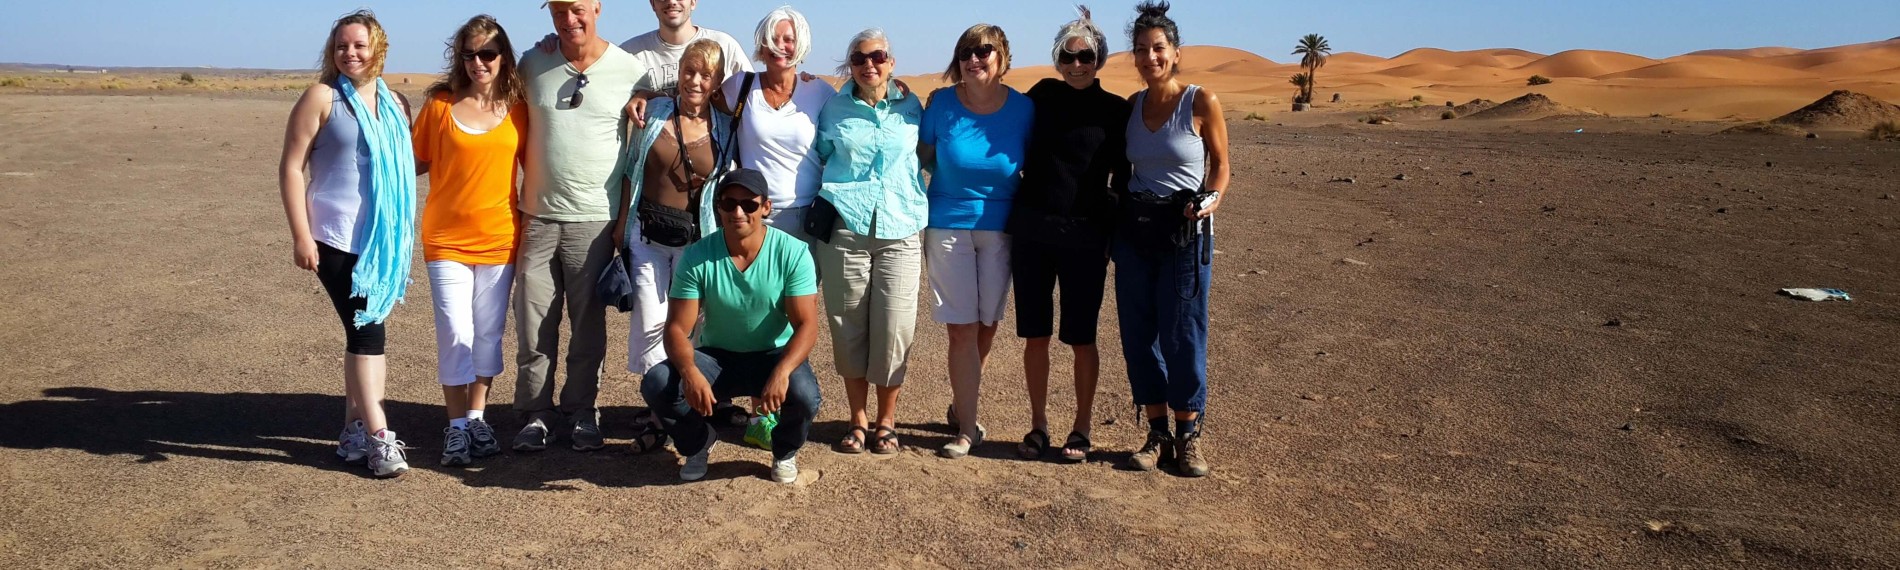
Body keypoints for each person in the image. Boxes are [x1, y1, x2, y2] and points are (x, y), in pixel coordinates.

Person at [276, 9, 416, 478]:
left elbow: (401, 165)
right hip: (333, 236)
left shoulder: (396, 103)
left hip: (382, 240)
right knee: (367, 332)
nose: (349, 53)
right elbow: (292, 167)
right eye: (341, 46)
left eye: (358, 45)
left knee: (364, 334)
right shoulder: (321, 97)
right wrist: (300, 235)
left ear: (377, 49)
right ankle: (379, 435)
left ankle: (352, 430)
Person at [512, 0, 648, 453]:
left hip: (595, 221)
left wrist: (624, 219)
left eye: (576, 10)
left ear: (596, 8)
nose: (569, 20)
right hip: (538, 215)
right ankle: (536, 413)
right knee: (534, 325)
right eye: (558, 13)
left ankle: (582, 410)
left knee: (587, 327)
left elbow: (642, 147)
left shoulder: (629, 69)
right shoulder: (534, 62)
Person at [641, 168, 821, 483]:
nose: (738, 212)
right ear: (719, 207)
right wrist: (690, 372)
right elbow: (675, 329)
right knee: (657, 382)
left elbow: (807, 325)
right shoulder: (697, 255)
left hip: (773, 354)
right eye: (729, 203)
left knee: (805, 395)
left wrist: (781, 373)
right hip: (717, 357)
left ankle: (784, 451)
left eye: (749, 205)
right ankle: (698, 442)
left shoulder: (793, 252)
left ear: (766, 207)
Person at [1007, 6, 1129, 463]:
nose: (1078, 66)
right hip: (1033, 233)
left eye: (1088, 57)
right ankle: (1038, 424)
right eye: (1069, 56)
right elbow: (995, 109)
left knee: (1082, 337)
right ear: (1057, 59)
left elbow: (1126, 175)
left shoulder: (1115, 111)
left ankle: (1081, 427)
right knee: (1035, 335)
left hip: (1086, 238)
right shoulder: (1039, 96)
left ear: (1100, 59)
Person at [1117, 1, 1230, 477]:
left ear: (1175, 52)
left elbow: (1221, 167)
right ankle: (1156, 431)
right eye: (1141, 50)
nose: (1150, 58)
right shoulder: (1132, 106)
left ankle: (1189, 435)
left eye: (1158, 48)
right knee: (1139, 334)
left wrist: (1210, 200)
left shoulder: (1200, 101)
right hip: (1137, 232)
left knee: (1183, 334)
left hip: (1185, 233)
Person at [411, 15, 526, 467]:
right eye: (469, 54)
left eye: (488, 54)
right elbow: (411, 161)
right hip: (445, 240)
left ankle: (478, 418)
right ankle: (456, 427)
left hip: (500, 239)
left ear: (503, 58)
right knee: (455, 332)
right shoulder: (440, 105)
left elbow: (535, 167)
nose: (479, 63)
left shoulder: (519, 108)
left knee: (488, 335)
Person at [918, 24, 1034, 459]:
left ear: (1001, 57)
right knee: (962, 327)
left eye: (984, 51)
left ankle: (960, 402)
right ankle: (968, 428)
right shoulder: (942, 105)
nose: (975, 58)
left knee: (988, 323)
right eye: (967, 52)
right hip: (947, 224)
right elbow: (922, 158)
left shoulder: (1024, 110)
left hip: (1001, 229)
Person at [614, 39, 736, 452]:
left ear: (717, 80)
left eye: (706, 74)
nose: (696, 81)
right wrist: (620, 228)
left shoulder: (724, 125)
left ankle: (686, 401)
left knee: (688, 326)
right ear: (678, 72)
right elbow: (632, 170)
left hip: (695, 242)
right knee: (650, 322)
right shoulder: (654, 112)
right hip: (646, 236)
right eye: (689, 71)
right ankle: (658, 412)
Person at [812, 29, 927, 455]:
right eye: (859, 59)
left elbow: (927, 154)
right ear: (851, 65)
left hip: (900, 228)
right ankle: (858, 419)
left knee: (895, 328)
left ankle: (887, 420)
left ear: (891, 62)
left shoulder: (913, 105)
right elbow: (822, 153)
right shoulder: (834, 108)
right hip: (846, 230)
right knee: (848, 326)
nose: (869, 65)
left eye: (877, 57)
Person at [720, 6, 835, 245]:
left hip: (807, 216)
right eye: (771, 39)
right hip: (753, 213)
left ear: (800, 45)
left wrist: (894, 86)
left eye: (788, 39)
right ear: (761, 46)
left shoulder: (819, 92)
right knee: (753, 282)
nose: (779, 46)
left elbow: (852, 112)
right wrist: (646, 95)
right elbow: (696, 103)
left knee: (803, 283)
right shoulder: (740, 86)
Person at [620, 0, 752, 92]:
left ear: (693, 2)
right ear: (652, 3)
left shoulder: (724, 45)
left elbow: (752, 94)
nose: (671, 2)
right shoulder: (630, 53)